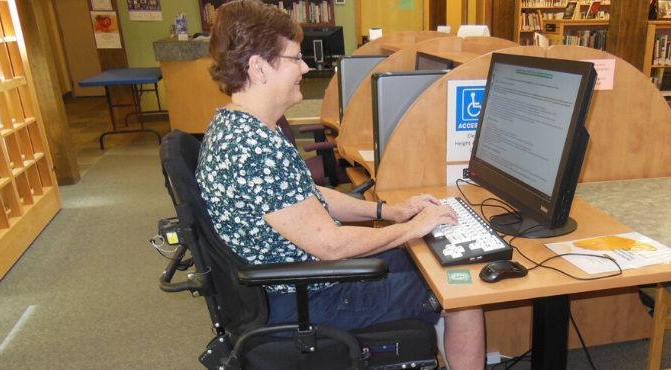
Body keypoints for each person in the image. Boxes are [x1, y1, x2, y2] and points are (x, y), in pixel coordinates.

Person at [196, 1, 485, 369]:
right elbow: (330, 245)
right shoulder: (254, 147)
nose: (305, 67)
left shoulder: (241, 127)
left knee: (431, 255)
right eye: (294, 59)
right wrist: (410, 227)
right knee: (461, 289)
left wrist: (388, 211)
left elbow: (310, 198)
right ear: (258, 67)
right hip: (307, 297)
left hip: (293, 283)